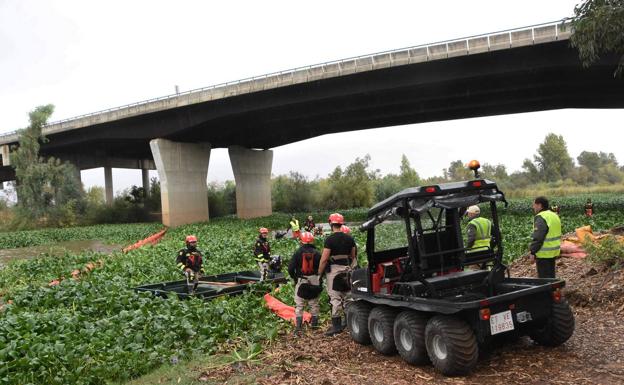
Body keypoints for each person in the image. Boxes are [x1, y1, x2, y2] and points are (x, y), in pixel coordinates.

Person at [318, 213, 357, 336]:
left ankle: (336, 326)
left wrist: (319, 273)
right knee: (348, 295)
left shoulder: (329, 239)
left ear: (331, 223)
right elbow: (353, 256)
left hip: (334, 271)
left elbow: (324, 259)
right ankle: (350, 322)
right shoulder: (349, 239)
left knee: (335, 298)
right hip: (347, 269)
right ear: (341, 224)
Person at [288, 232, 322, 336]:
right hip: (314, 279)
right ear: (312, 240)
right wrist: (319, 278)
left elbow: (290, 268)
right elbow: (323, 266)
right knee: (313, 302)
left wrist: (295, 278)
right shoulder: (317, 253)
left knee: (299, 303)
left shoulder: (298, 252)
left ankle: (298, 327)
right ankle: (315, 325)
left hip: (301, 280)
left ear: (301, 241)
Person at [529, 196, 561, 279]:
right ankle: (553, 291)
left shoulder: (541, 217)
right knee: (551, 277)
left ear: (539, 205)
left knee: (544, 280)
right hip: (553, 252)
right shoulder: (554, 215)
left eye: (534, 204)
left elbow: (539, 237)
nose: (533, 207)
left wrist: (532, 251)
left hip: (544, 253)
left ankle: (548, 292)